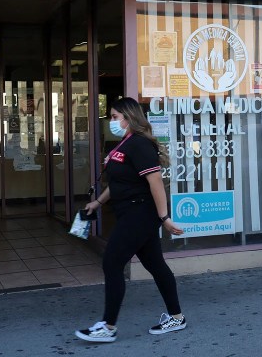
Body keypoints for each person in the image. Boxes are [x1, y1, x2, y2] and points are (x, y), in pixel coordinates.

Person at [75, 97, 185, 343]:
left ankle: (108, 326)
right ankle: (176, 317)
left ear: (128, 117)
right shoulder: (125, 144)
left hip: (140, 214)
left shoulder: (139, 145)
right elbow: (119, 182)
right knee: (156, 265)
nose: (111, 122)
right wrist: (98, 202)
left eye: (115, 117)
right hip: (131, 213)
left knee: (112, 263)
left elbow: (155, 183)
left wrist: (164, 218)